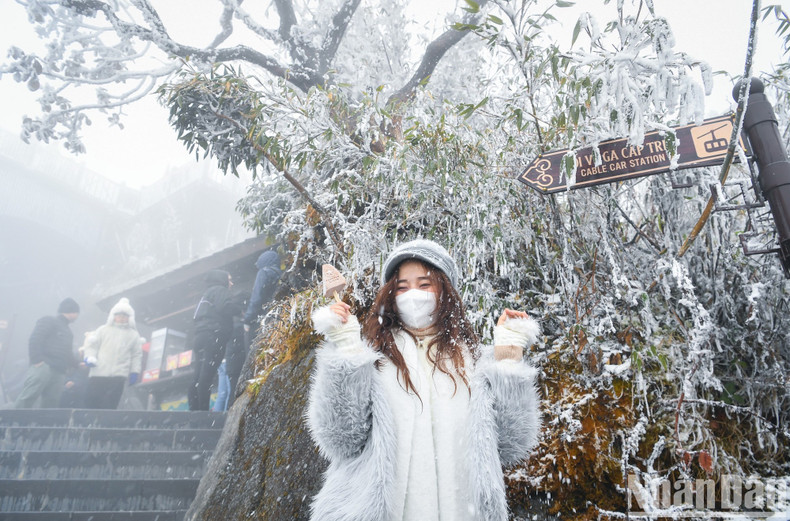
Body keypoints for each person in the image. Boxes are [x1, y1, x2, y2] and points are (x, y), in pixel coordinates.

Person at [307, 239, 541, 521]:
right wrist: (345, 348)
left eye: (425, 284)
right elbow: (340, 439)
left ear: (445, 289)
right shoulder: (372, 357)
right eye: (402, 287)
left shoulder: (473, 360)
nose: (412, 295)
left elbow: (510, 444)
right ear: (390, 294)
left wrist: (508, 352)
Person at [189, 269, 242, 411]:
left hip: (200, 336)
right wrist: (240, 309)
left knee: (198, 375)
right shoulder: (220, 289)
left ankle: (194, 411)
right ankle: (203, 413)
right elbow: (224, 306)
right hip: (213, 335)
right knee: (207, 376)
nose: (231, 283)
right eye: (229, 279)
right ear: (222, 280)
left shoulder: (207, 294)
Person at [15, 298, 80, 408]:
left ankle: (44, 423)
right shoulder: (48, 320)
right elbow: (35, 339)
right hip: (44, 366)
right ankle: (13, 422)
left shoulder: (68, 331)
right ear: (73, 312)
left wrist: (77, 364)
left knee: (51, 402)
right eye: (77, 313)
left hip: (59, 371)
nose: (78, 316)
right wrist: (37, 360)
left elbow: (67, 352)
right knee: (29, 395)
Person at [81, 298, 143, 410]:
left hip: (118, 375)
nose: (121, 318)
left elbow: (136, 355)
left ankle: (104, 425)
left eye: (125, 316)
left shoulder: (133, 335)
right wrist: (89, 357)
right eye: (119, 315)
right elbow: (92, 346)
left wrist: (135, 371)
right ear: (113, 316)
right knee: (91, 401)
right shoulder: (103, 330)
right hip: (98, 372)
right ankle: (88, 424)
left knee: (111, 403)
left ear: (130, 318)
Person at [213, 293, 248, 412]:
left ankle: (219, 419)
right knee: (230, 393)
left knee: (223, 393)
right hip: (230, 361)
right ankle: (226, 419)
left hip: (224, 359)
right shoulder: (240, 323)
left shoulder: (227, 319)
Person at [242, 250, 281, 334]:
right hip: (279, 312)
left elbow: (257, 297)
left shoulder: (264, 272)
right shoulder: (279, 272)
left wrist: (248, 318)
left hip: (267, 314)